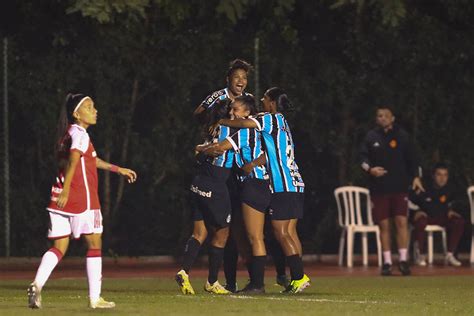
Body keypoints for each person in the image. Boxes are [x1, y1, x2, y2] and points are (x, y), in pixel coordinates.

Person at [27, 93, 137, 309]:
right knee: (95, 245)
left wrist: (118, 169)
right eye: (89, 107)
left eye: (94, 106)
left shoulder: (67, 134)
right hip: (81, 198)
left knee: (59, 247)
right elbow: (75, 159)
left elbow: (90, 160)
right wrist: (68, 189)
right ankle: (95, 299)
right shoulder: (81, 135)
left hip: (57, 197)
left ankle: (36, 285)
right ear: (76, 114)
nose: (94, 110)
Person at [210, 88, 310, 293]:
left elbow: (245, 124)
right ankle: (296, 278)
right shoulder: (281, 122)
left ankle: (296, 277)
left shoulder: (270, 119)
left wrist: (222, 122)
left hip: (283, 183)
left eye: (265, 98)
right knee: (289, 232)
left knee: (279, 232)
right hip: (294, 182)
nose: (263, 101)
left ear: (272, 103)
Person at [175, 99, 236, 295]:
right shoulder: (231, 130)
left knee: (199, 233)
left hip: (198, 181)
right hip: (215, 183)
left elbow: (197, 149)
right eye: (235, 111)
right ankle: (212, 281)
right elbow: (218, 148)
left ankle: (184, 271)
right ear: (229, 115)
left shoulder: (211, 128)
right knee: (222, 232)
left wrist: (201, 149)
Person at [359, 106, 424, 276]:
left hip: (399, 188)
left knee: (401, 222)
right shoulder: (371, 136)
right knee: (384, 225)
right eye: (379, 116)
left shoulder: (402, 136)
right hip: (379, 189)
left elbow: (413, 158)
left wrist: (416, 177)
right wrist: (370, 170)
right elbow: (362, 159)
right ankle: (387, 262)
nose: (382, 118)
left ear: (392, 118)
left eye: (385, 116)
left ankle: (403, 260)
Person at [410, 163, 465, 266]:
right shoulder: (424, 186)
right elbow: (409, 201)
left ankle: (450, 254)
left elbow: (457, 201)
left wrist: (451, 209)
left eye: (445, 175)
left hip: (441, 217)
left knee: (459, 221)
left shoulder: (451, 188)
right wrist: (416, 211)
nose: (442, 178)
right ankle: (420, 254)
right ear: (433, 176)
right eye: (439, 175)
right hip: (426, 217)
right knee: (420, 221)